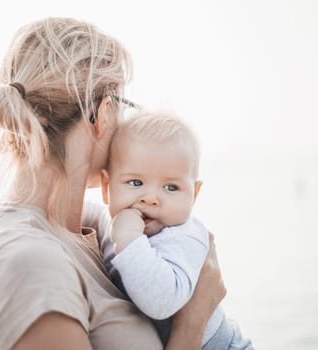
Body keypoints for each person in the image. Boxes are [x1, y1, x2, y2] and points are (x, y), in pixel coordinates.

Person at [0, 17, 227, 350]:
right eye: (123, 106)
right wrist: (193, 322)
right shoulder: (30, 265)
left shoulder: (81, 228)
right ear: (103, 114)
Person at [99, 111, 253, 349]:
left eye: (171, 187)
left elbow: (160, 302)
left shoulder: (184, 237)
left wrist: (128, 239)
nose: (151, 198)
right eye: (136, 183)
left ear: (195, 195)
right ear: (106, 187)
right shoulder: (119, 222)